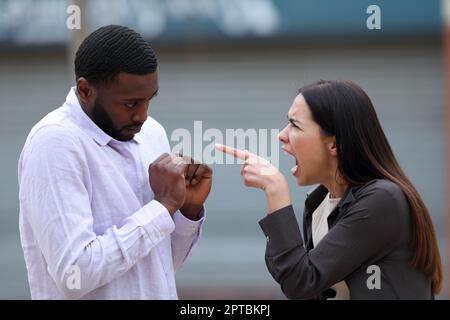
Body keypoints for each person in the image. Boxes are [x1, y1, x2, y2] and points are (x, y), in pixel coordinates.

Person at [18, 25, 212, 299]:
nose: (143, 116)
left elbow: (160, 267)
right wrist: (163, 206)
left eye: (148, 100)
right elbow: (75, 273)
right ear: (85, 90)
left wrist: (186, 209)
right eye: (130, 104)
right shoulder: (55, 143)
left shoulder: (151, 133)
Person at [216, 80, 442, 299]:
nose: (281, 135)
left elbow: (301, 281)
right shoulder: (318, 204)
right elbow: (299, 282)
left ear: (334, 144)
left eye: (294, 125)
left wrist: (275, 189)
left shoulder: (382, 200)